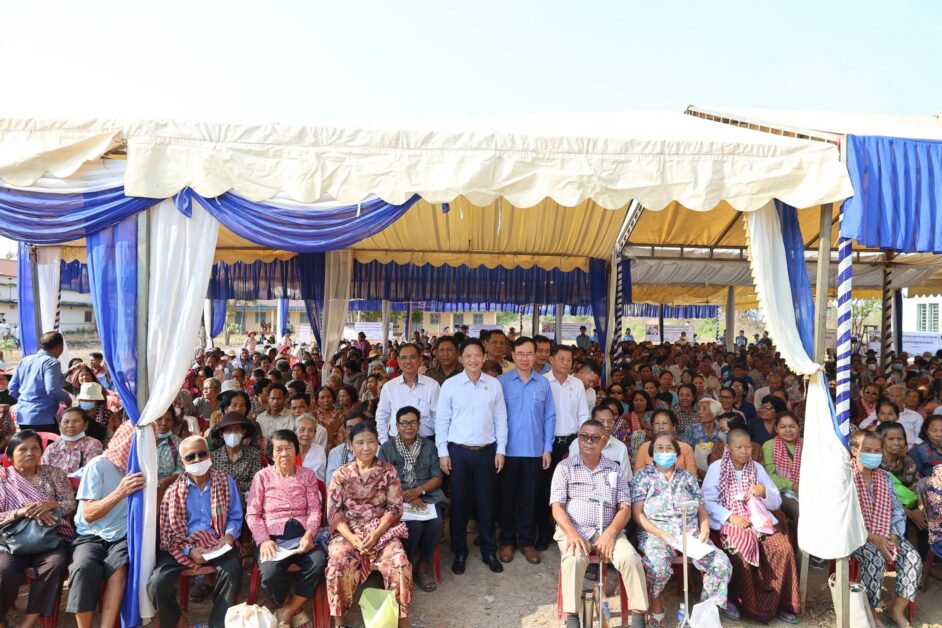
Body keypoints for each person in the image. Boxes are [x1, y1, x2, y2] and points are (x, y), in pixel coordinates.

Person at [551, 418, 649, 628]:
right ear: (578, 439)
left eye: (595, 438)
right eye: (584, 437)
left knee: (630, 558)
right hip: (574, 530)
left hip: (609, 530)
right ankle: (573, 618)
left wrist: (610, 534)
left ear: (604, 442)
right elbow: (557, 506)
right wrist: (572, 533)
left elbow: (625, 508)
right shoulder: (564, 467)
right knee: (574, 560)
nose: (589, 441)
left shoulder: (614, 469)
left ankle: (638, 618)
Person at [632, 432, 735, 625]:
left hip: (690, 534)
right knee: (657, 567)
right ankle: (656, 608)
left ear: (677, 453)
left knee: (720, 563)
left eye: (669, 448)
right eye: (659, 448)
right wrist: (660, 533)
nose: (664, 452)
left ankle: (704, 614)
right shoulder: (643, 477)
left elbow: (701, 510)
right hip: (657, 535)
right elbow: (637, 514)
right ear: (652, 452)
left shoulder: (687, 477)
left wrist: (704, 529)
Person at [702, 428, 800, 624]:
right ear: (728, 448)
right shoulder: (716, 468)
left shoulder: (757, 468)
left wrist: (763, 491)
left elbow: (776, 502)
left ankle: (783, 603)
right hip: (730, 521)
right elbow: (707, 501)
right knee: (741, 549)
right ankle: (739, 603)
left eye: (748, 447)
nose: (744, 451)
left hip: (759, 521)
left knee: (783, 549)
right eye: (739, 447)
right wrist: (730, 517)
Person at [149, 436, 243, 628]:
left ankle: (218, 624)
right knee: (157, 583)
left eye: (202, 454)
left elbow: (235, 515)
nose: (197, 460)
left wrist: (228, 535)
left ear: (209, 455)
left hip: (217, 541)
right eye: (190, 457)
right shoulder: (172, 492)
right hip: (182, 544)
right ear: (182, 463)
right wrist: (189, 551)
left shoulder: (225, 482)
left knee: (232, 571)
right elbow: (169, 533)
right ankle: (178, 620)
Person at [327, 422, 412, 627]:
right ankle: (339, 621)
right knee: (337, 561)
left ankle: (402, 620)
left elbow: (395, 508)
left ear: (377, 443)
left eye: (371, 442)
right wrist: (353, 538)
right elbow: (334, 513)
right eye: (360, 442)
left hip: (381, 531)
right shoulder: (341, 474)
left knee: (399, 561)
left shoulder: (388, 471)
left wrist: (375, 535)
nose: (366, 447)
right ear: (351, 445)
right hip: (349, 532)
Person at [435, 338, 508, 575]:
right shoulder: (451, 385)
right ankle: (459, 552)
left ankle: (489, 551)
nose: (473, 360)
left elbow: (501, 418)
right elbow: (442, 421)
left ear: (484, 357)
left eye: (477, 355)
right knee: (460, 504)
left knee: (487, 503)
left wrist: (501, 450)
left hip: (487, 451)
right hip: (459, 452)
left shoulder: (493, 384)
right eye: (468, 356)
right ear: (461, 358)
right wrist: (443, 453)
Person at [247, 429, 327, 626]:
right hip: (271, 537)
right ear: (271, 454)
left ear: (296, 451)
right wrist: (263, 540)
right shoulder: (262, 477)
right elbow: (253, 513)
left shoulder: (308, 475)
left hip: (302, 536)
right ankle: (293, 607)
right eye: (279, 449)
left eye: (289, 448)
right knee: (270, 572)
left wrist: (309, 534)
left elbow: (314, 510)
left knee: (318, 562)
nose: (284, 454)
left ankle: (287, 611)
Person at [68, 422, 141, 628]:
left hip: (123, 533)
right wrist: (120, 492)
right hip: (91, 533)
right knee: (83, 568)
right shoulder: (98, 465)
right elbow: (89, 514)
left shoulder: (141, 468)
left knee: (120, 568)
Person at [0, 430, 76, 628]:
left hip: (51, 538)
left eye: (35, 448)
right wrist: (22, 512)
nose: (30, 453)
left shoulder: (54, 473)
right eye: (22, 449)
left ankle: (28, 622)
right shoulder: (2, 479)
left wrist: (51, 505)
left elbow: (70, 503)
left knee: (55, 564)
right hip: (12, 542)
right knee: (3, 570)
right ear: (10, 455)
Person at [850, 431, 922, 628]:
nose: (873, 455)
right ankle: (871, 613)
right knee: (875, 559)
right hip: (857, 535)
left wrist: (895, 535)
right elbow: (845, 518)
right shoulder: (846, 477)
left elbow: (897, 510)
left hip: (886, 532)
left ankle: (897, 611)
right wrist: (872, 537)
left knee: (913, 559)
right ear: (854, 451)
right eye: (867, 450)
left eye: (877, 451)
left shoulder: (885, 477)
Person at [497, 336, 555, 565]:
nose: (524, 358)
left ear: (535, 355)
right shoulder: (501, 382)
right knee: (507, 499)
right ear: (513, 355)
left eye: (529, 353)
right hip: (507, 452)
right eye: (520, 354)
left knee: (530, 499)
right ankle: (507, 541)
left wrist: (547, 448)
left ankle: (527, 542)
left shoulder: (543, 383)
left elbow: (549, 416)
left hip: (534, 451)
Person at [378, 406, 444, 592]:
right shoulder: (387, 448)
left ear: (419, 425)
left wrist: (419, 491)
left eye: (413, 423)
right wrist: (407, 494)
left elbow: (438, 478)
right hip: (398, 496)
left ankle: (422, 565)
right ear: (397, 426)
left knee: (436, 523)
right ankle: (407, 563)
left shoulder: (429, 446)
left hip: (427, 494)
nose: (409, 427)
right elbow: (383, 480)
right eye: (404, 423)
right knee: (413, 526)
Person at [539, 344, 589, 550]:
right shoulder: (542, 382)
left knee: (571, 488)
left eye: (569, 360)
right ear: (551, 359)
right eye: (562, 359)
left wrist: (579, 444)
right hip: (547, 443)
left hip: (571, 442)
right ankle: (544, 532)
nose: (566, 363)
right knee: (545, 488)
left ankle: (569, 531)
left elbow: (583, 414)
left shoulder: (577, 384)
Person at [7, 331, 71, 433]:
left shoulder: (25, 360)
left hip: (24, 416)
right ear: (59, 347)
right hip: (43, 416)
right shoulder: (52, 362)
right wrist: (67, 399)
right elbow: (52, 389)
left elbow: (12, 388)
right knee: (50, 443)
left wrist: (25, 401)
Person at [375, 343, 439, 444]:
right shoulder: (389, 387)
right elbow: (381, 416)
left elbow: (438, 417)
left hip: (426, 442)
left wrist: (439, 444)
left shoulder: (432, 385)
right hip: (396, 442)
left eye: (413, 357)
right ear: (399, 361)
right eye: (404, 358)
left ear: (420, 359)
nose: (408, 361)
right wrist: (384, 443)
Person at [568, 402, 632, 483]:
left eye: (610, 421)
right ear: (593, 422)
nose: (606, 425)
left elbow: (625, 480)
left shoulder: (621, 448)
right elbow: (570, 474)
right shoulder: (578, 443)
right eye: (602, 421)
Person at [210, 412, 262, 503]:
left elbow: (256, 482)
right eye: (228, 431)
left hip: (247, 500)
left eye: (237, 430)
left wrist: (232, 484)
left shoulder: (253, 454)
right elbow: (212, 483)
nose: (233, 434)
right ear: (222, 434)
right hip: (220, 499)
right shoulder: (213, 456)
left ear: (243, 433)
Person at [761, 411, 802, 522]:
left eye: (792, 426)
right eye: (783, 427)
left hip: (807, 488)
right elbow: (769, 475)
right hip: (782, 491)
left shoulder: (806, 444)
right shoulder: (769, 445)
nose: (788, 430)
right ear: (776, 429)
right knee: (801, 512)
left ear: (799, 427)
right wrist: (793, 486)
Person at [634, 409, 698, 475]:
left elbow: (693, 476)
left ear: (674, 427)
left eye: (664, 423)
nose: (660, 427)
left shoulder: (686, 448)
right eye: (657, 423)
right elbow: (637, 475)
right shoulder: (644, 447)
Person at [40, 407, 102, 475]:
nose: (70, 425)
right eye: (66, 422)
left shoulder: (92, 445)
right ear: (60, 426)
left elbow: (92, 473)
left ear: (85, 425)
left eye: (76, 421)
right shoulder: (52, 447)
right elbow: (42, 473)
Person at [685, 398, 726, 476]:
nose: (700, 412)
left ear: (713, 413)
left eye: (704, 409)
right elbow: (686, 454)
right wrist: (698, 471)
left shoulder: (721, 432)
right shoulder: (691, 429)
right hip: (695, 473)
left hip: (718, 474)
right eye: (699, 409)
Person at [326, 411, 367, 487]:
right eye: (350, 428)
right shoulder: (335, 453)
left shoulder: (376, 450)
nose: (354, 431)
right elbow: (330, 483)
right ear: (345, 430)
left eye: (357, 427)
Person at [296, 414, 327, 482]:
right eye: (302, 430)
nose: (306, 434)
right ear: (295, 432)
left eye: (310, 430)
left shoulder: (320, 451)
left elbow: (321, 479)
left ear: (314, 433)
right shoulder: (288, 449)